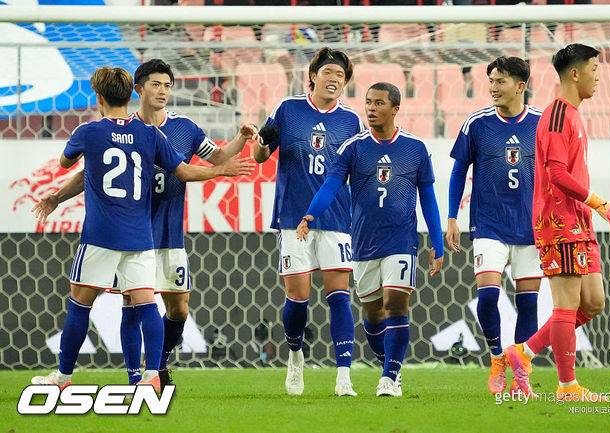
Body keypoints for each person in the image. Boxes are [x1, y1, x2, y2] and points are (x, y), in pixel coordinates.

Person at [32, 59, 257, 390]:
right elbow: (183, 170)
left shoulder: (92, 131)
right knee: (142, 303)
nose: (163, 90)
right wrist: (219, 172)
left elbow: (71, 164)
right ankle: (145, 376)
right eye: (156, 84)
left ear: (99, 96)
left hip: (106, 234)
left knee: (84, 302)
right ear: (135, 91)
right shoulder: (148, 134)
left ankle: (66, 377)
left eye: (168, 85)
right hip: (141, 234)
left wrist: (231, 152)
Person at [297, 82, 444, 397]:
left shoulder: (415, 148)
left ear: (395, 108)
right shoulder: (352, 148)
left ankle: (389, 377)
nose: (371, 108)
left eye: (379, 103)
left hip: (401, 240)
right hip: (363, 243)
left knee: (396, 302)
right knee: (373, 313)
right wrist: (311, 214)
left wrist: (437, 243)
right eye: (368, 102)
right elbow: (330, 185)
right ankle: (388, 364)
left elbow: (428, 199)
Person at [505, 44, 610, 402]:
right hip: (559, 221)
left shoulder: (573, 114)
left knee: (594, 301)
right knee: (567, 306)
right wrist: (599, 202)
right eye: (594, 69)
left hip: (578, 221)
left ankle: (523, 352)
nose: (598, 76)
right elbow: (556, 173)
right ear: (575, 73)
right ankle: (568, 387)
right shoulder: (557, 115)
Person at [253, 47, 364, 397]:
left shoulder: (352, 121)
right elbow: (261, 155)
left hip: (336, 219)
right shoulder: (288, 109)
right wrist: (255, 143)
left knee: (339, 296)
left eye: (341, 76)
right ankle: (296, 355)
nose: (334, 80)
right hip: (292, 217)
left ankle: (343, 374)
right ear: (313, 76)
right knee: (298, 298)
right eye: (329, 73)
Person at [445, 56, 543, 395]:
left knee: (529, 303)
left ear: (520, 85)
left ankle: (521, 373)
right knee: (487, 296)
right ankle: (497, 357)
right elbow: (459, 171)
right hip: (489, 226)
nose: (493, 87)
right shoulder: (477, 123)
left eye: (500, 81)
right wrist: (453, 217)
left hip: (532, 229)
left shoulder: (541, 123)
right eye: (490, 80)